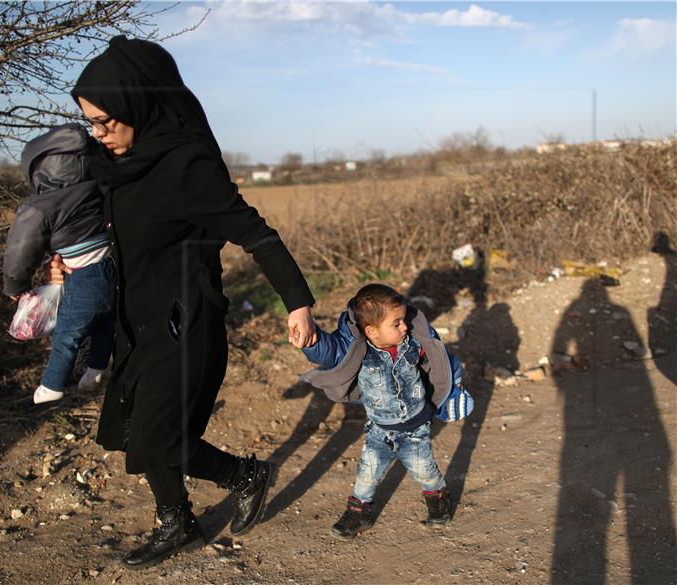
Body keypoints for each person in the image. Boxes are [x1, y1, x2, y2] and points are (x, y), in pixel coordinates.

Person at [55, 36, 316, 570]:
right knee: (134, 430)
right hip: (135, 323)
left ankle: (245, 476)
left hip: (184, 322)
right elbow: (105, 239)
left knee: (160, 435)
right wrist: (66, 263)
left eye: (106, 121)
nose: (98, 134)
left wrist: (298, 302)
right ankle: (177, 522)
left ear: (139, 106)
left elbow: (257, 235)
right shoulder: (114, 171)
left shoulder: (188, 166)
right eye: (90, 123)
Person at [301, 283, 457, 539]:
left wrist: (452, 389)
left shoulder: (413, 345)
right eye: (396, 324)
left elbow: (441, 362)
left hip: (415, 426)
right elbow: (328, 351)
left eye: (404, 320)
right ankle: (359, 513)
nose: (404, 326)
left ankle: (438, 498)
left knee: (424, 469)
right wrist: (310, 340)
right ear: (372, 331)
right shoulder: (359, 352)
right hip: (379, 430)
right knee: (367, 474)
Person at [3, 124, 117, 404]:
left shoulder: (40, 206)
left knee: (68, 332)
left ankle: (52, 384)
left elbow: (21, 247)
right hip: (111, 273)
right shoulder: (100, 188)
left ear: (38, 168)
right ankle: (96, 369)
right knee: (105, 323)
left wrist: (15, 284)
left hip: (83, 278)